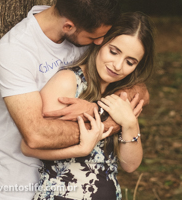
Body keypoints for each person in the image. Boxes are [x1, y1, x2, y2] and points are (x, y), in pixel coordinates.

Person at [0, 0, 149, 200]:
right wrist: (108, 122)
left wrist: (99, 108)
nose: (99, 42)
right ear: (68, 26)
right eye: (95, 38)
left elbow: (137, 85)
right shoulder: (15, 51)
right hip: (14, 185)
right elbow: (35, 136)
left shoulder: (85, 31)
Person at [23, 12, 155, 200]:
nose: (118, 66)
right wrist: (80, 150)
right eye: (114, 52)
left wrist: (130, 124)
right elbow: (28, 146)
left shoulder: (121, 95)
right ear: (101, 42)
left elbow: (130, 165)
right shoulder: (68, 82)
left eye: (130, 62)